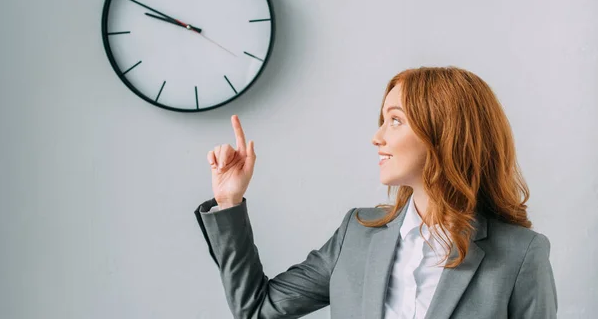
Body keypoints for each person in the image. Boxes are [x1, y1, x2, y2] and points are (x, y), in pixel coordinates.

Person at [194, 66, 558, 318]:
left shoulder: (521, 255)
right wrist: (229, 202)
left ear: (444, 132)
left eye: (395, 120)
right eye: (382, 120)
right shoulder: (357, 233)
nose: (377, 136)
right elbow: (257, 308)